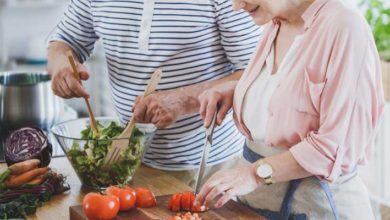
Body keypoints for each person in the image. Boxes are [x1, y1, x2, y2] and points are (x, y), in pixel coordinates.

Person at [195, 0, 385, 218]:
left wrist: (255, 174)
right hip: (258, 207)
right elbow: (292, 96)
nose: (237, 6)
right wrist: (241, 91)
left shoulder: (345, 25)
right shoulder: (276, 22)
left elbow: (334, 148)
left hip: (320, 210)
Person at [47, 0, 261, 186]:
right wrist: (60, 64)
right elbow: (64, 41)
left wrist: (182, 100)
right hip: (130, 160)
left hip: (209, 166)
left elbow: (259, 71)